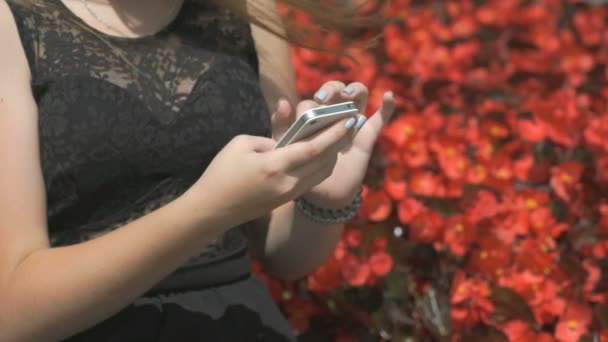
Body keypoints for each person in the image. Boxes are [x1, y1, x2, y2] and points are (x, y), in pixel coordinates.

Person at [0, 0, 395, 340]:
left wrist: (321, 198)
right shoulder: (13, 21)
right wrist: (208, 208)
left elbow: (283, 254)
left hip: (243, 325)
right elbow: (12, 313)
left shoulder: (247, 10)